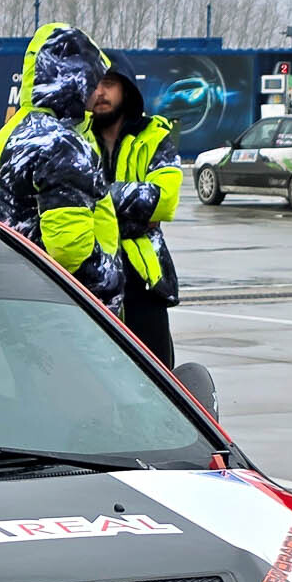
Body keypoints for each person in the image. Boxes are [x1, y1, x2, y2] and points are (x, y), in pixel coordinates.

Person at [0, 23, 123, 310]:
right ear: (73, 80)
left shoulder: (12, 131)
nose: (98, 91)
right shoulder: (61, 143)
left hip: (16, 288)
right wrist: (111, 285)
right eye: (92, 79)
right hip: (65, 306)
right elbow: (69, 250)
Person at [90, 68, 182, 363]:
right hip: (90, 274)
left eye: (109, 84)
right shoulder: (75, 137)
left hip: (143, 279)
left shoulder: (154, 136)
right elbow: (66, 200)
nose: (100, 92)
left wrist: (96, 200)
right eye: (95, 85)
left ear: (127, 89)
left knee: (156, 372)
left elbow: (163, 201)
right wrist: (136, 212)